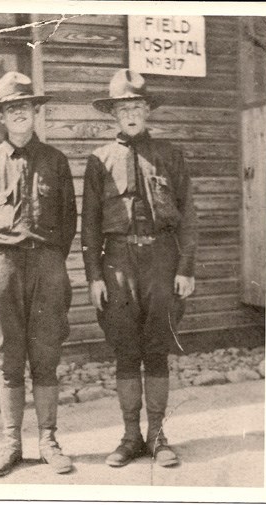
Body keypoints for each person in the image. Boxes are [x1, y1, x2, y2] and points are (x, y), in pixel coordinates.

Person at [81, 69, 197, 468]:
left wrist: (186, 267)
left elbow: (189, 217)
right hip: (116, 262)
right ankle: (131, 436)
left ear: (147, 110)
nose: (130, 113)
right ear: (114, 113)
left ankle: (159, 436)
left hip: (162, 260)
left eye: (137, 105)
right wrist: (94, 276)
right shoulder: (99, 160)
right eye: (123, 107)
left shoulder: (170, 154)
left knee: (157, 348)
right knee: (126, 350)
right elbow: (90, 224)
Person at [0, 71, 77, 476]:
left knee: (46, 355)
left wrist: (48, 260)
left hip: (47, 265)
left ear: (34, 112)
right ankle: (11, 443)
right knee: (8, 359)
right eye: (11, 108)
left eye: (24, 107)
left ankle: (48, 440)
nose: (19, 114)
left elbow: (68, 222)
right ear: (1, 116)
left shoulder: (56, 161)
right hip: (1, 266)